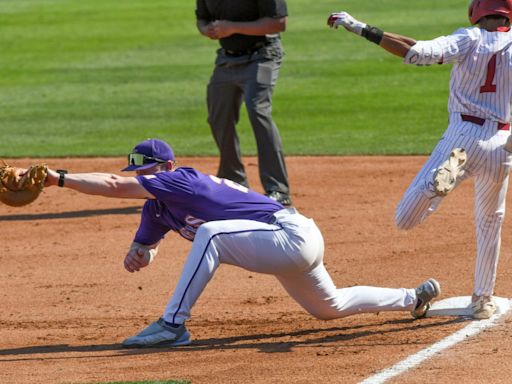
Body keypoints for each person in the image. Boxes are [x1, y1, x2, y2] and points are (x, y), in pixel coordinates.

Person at [44, 138, 440, 348]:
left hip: (292, 233)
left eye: (147, 170)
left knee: (211, 233)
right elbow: (146, 246)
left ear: (166, 167)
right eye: (138, 171)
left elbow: (114, 186)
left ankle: (172, 325)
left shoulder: (183, 178)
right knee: (328, 307)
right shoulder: (156, 206)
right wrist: (141, 252)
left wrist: (58, 178)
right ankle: (412, 298)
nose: (142, 176)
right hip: (284, 245)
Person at [327, 0, 512, 319]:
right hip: (502, 144)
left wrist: (361, 28)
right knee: (490, 222)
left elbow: (416, 51)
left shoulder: (469, 38)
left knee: (405, 219)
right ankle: (482, 299)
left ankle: (435, 187)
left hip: (462, 139)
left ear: (477, 11)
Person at [195, 0, 292, 206]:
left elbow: (278, 23)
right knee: (218, 117)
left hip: (264, 55)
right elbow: (202, 18)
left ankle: (277, 189)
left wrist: (232, 27)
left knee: (258, 110)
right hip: (226, 60)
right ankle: (234, 182)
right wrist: (208, 30)